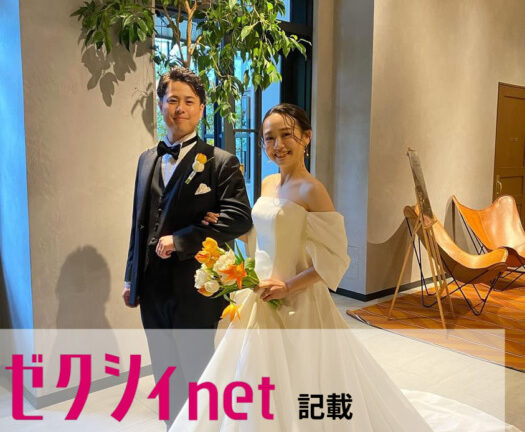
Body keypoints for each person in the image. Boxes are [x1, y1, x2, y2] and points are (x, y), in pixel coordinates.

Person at [170, 104, 519, 431]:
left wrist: (288, 286)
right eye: (269, 138)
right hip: (259, 297)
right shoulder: (268, 184)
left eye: (286, 135)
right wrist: (233, 247)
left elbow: (334, 259)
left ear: (306, 137)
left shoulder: (313, 191)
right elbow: (265, 236)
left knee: (304, 379)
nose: (277, 145)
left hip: (297, 301)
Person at [123, 66, 252, 427]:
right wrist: (131, 277)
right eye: (172, 100)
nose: (180, 108)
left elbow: (240, 218)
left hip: (196, 288)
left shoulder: (221, 162)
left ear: (201, 109)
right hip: (152, 287)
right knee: (164, 371)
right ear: (160, 105)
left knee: (197, 370)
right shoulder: (146, 159)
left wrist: (182, 239)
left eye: (189, 101)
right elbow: (138, 223)